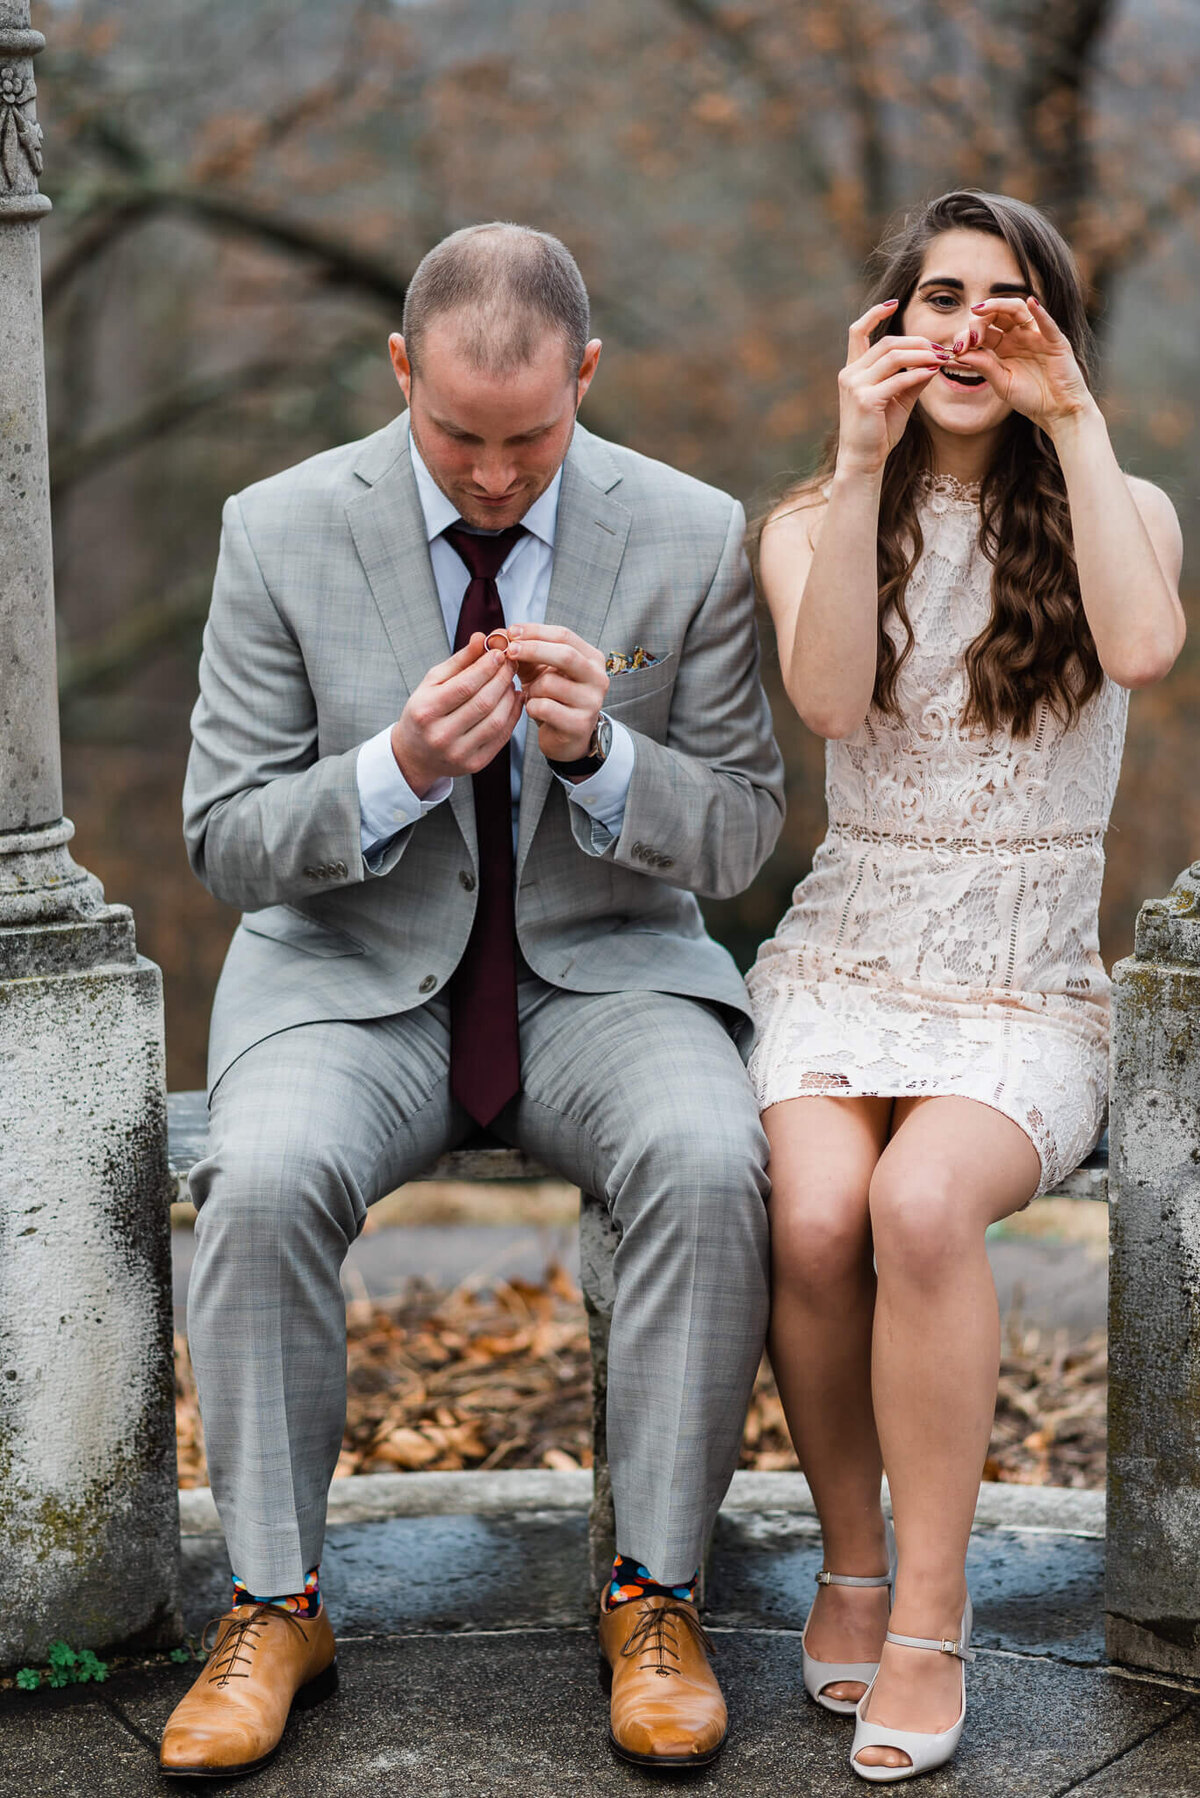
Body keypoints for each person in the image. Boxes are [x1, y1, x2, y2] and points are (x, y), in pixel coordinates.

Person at [161, 222, 784, 1779]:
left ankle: (656, 1593)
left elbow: (745, 827)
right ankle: (273, 1601)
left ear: (585, 375)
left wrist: (604, 757)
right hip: (348, 981)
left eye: (530, 436)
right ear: (398, 373)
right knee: (262, 1176)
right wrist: (396, 771)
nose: (496, 475)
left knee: (714, 1161)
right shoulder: (278, 526)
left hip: (609, 973)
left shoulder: (695, 534)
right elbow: (225, 838)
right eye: (457, 436)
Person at [748, 189, 1183, 1783]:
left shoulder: (1117, 509)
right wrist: (861, 464)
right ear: (890, 323)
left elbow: (1141, 650)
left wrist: (1073, 419)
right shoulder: (808, 519)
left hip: (1021, 988)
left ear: (1051, 333)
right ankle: (850, 1560)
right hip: (846, 955)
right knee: (808, 1212)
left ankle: (932, 1611)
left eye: (1009, 303)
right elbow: (832, 699)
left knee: (920, 1207)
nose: (968, 328)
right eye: (940, 296)